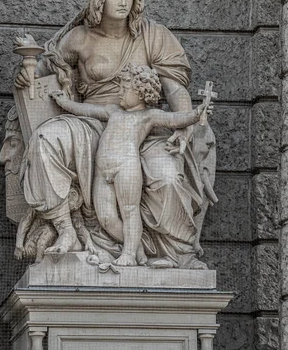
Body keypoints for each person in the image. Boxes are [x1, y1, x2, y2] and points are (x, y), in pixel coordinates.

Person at [15, 0, 211, 269]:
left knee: (168, 177)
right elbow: (42, 71)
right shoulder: (78, 38)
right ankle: (67, 231)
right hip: (89, 122)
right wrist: (27, 72)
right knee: (45, 140)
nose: (123, 2)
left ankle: (179, 253)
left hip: (143, 129)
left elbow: (175, 89)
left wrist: (183, 129)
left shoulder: (154, 35)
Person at [49, 64, 208, 266]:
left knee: (129, 210)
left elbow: (177, 118)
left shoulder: (149, 116)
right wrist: (64, 102)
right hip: (102, 169)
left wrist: (197, 113)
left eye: (125, 88)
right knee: (106, 218)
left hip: (126, 167)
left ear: (141, 93)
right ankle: (137, 248)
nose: (120, 92)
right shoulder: (113, 110)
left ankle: (129, 254)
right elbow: (86, 109)